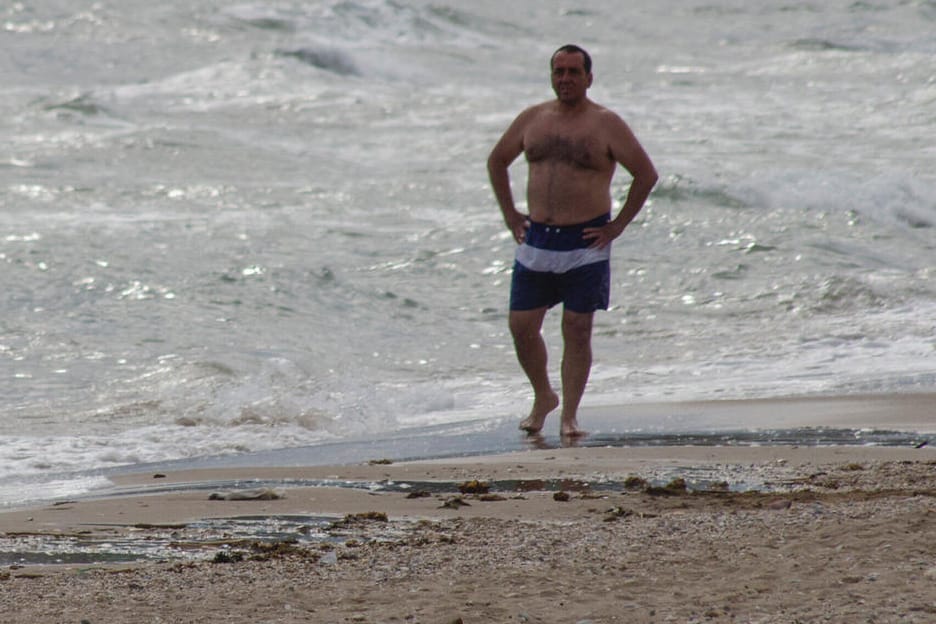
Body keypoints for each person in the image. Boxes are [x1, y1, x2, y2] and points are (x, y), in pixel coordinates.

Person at [487, 44, 658, 438]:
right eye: (558, 71)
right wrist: (511, 214)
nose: (565, 79)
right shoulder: (532, 119)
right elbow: (497, 160)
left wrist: (617, 226)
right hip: (537, 240)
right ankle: (543, 395)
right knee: (521, 326)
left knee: (577, 329)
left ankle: (570, 416)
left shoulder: (606, 124)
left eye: (573, 72)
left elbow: (646, 175)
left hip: (586, 241)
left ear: (588, 78)